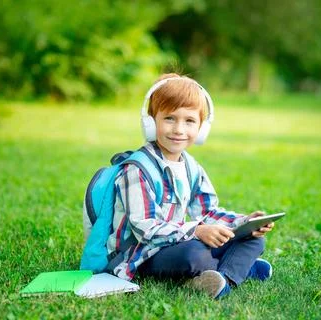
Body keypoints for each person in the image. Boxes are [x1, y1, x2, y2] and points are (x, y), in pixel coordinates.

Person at [108, 73, 275, 299]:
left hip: (177, 241)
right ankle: (239, 269)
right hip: (141, 255)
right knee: (196, 255)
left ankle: (223, 279)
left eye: (189, 121)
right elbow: (145, 228)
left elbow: (207, 212)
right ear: (150, 122)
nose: (179, 129)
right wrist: (195, 231)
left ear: (201, 128)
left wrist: (244, 223)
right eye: (169, 118)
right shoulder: (137, 169)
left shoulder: (191, 167)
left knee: (253, 239)